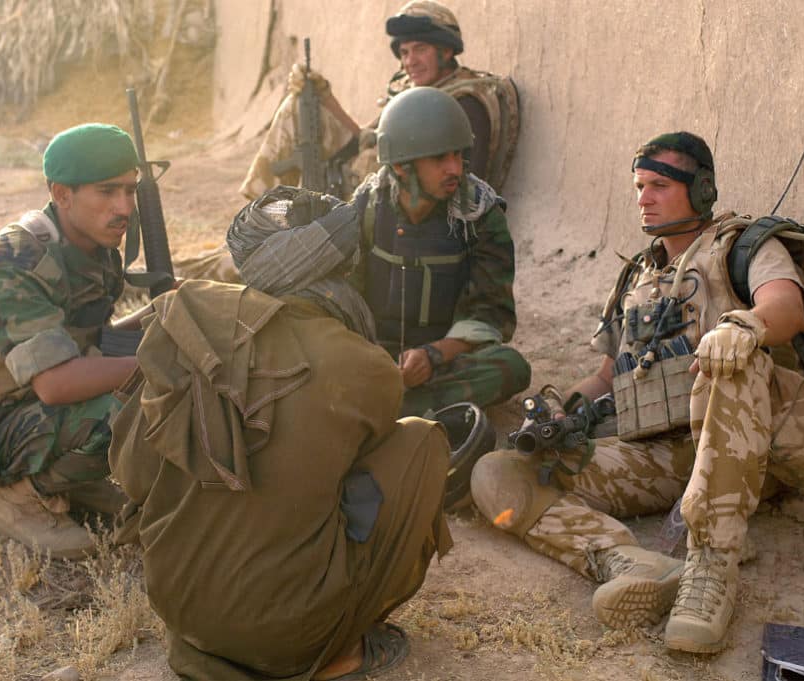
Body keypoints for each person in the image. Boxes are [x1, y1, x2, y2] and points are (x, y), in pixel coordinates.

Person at [470, 132, 804, 653]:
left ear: (702, 190)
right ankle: (629, 562)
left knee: (727, 354)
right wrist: (562, 411)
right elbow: (604, 376)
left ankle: (712, 566)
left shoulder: (742, 244)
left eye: (660, 185)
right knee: (499, 473)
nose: (644, 197)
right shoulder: (638, 275)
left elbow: (786, 305)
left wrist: (743, 327)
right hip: (661, 453)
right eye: (640, 186)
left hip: (753, 444)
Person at [109, 186, 452, 680]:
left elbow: (134, 473)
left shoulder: (187, 321)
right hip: (288, 634)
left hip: (178, 606)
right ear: (340, 271)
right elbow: (359, 473)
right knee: (420, 441)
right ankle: (338, 655)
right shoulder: (366, 368)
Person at [0, 123, 146, 559]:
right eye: (107, 191)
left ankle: (70, 478)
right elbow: (56, 383)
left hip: (20, 401)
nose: (124, 207)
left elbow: (87, 343)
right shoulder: (14, 262)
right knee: (127, 408)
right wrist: (153, 358)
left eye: (131, 190)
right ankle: (20, 499)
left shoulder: (90, 247)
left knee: (143, 369)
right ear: (62, 194)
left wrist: (158, 319)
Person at [349, 86, 530, 417]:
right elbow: (343, 299)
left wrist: (432, 356)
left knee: (511, 367)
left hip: (443, 358)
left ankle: (388, 408)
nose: (456, 169)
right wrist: (367, 356)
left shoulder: (480, 215)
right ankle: (404, 406)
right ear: (402, 166)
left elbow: (491, 313)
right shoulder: (367, 208)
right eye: (439, 158)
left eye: (459, 155)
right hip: (370, 356)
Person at [238, 0, 519, 200]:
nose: (410, 61)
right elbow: (365, 141)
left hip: (378, 215)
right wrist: (325, 97)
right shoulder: (415, 94)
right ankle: (261, 217)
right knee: (299, 105)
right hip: (353, 191)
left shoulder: (461, 104)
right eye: (405, 53)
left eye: (420, 49)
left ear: (446, 51)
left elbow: (460, 187)